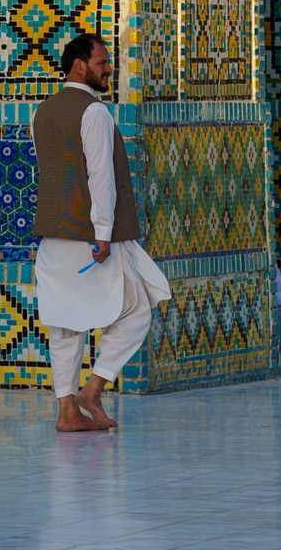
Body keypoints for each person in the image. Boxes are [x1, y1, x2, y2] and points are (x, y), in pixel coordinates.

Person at [30, 31, 171, 431]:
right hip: (91, 236)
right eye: (103, 63)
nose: (109, 69)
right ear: (80, 66)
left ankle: (67, 411)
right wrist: (104, 233)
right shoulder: (94, 113)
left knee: (66, 324)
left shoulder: (41, 111)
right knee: (139, 308)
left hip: (54, 234)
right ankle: (92, 388)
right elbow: (99, 175)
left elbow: (52, 169)